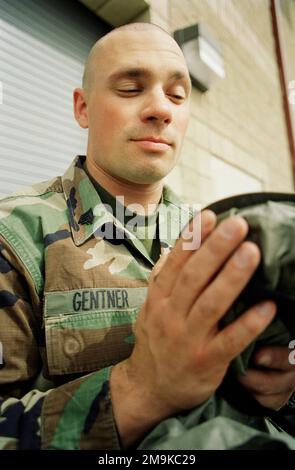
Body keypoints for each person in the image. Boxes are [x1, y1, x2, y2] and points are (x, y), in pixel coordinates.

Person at [0, 22, 294, 450]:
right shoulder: (14, 236)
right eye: (130, 88)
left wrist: (279, 389)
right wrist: (141, 389)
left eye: (178, 94)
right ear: (83, 107)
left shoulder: (218, 233)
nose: (162, 109)